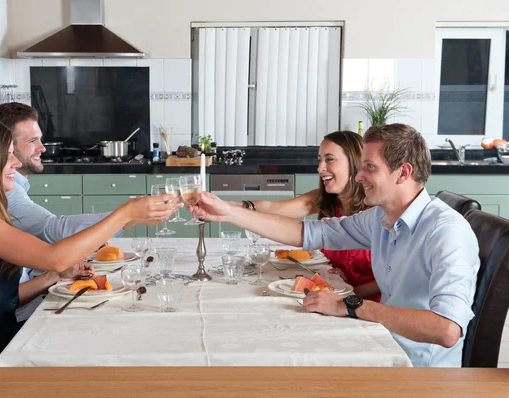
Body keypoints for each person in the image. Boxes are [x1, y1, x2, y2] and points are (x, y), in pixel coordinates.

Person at [192, 123, 479, 367]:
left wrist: (352, 306)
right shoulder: (381, 218)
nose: (358, 176)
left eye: (370, 167)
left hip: (415, 369)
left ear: (402, 173)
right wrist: (227, 213)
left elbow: (446, 330)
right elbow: (305, 233)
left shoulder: (446, 232)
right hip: (380, 343)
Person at [0, 118, 176, 366]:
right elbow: (54, 256)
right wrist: (125, 214)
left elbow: (1, 298)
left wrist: (56, 277)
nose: (17, 163)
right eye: (8, 155)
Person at [0, 103, 149, 320]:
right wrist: (127, 215)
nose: (42, 148)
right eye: (32, 141)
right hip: (10, 324)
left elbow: (21, 276)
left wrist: (55, 275)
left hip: (21, 307)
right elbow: (55, 233)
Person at [227, 131, 378, 300]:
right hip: (335, 297)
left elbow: (394, 278)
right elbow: (273, 207)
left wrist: (350, 293)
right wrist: (235, 206)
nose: (320, 168)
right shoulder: (325, 199)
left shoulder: (377, 211)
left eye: (329, 159)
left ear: (354, 162)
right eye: (319, 160)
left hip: (369, 306)